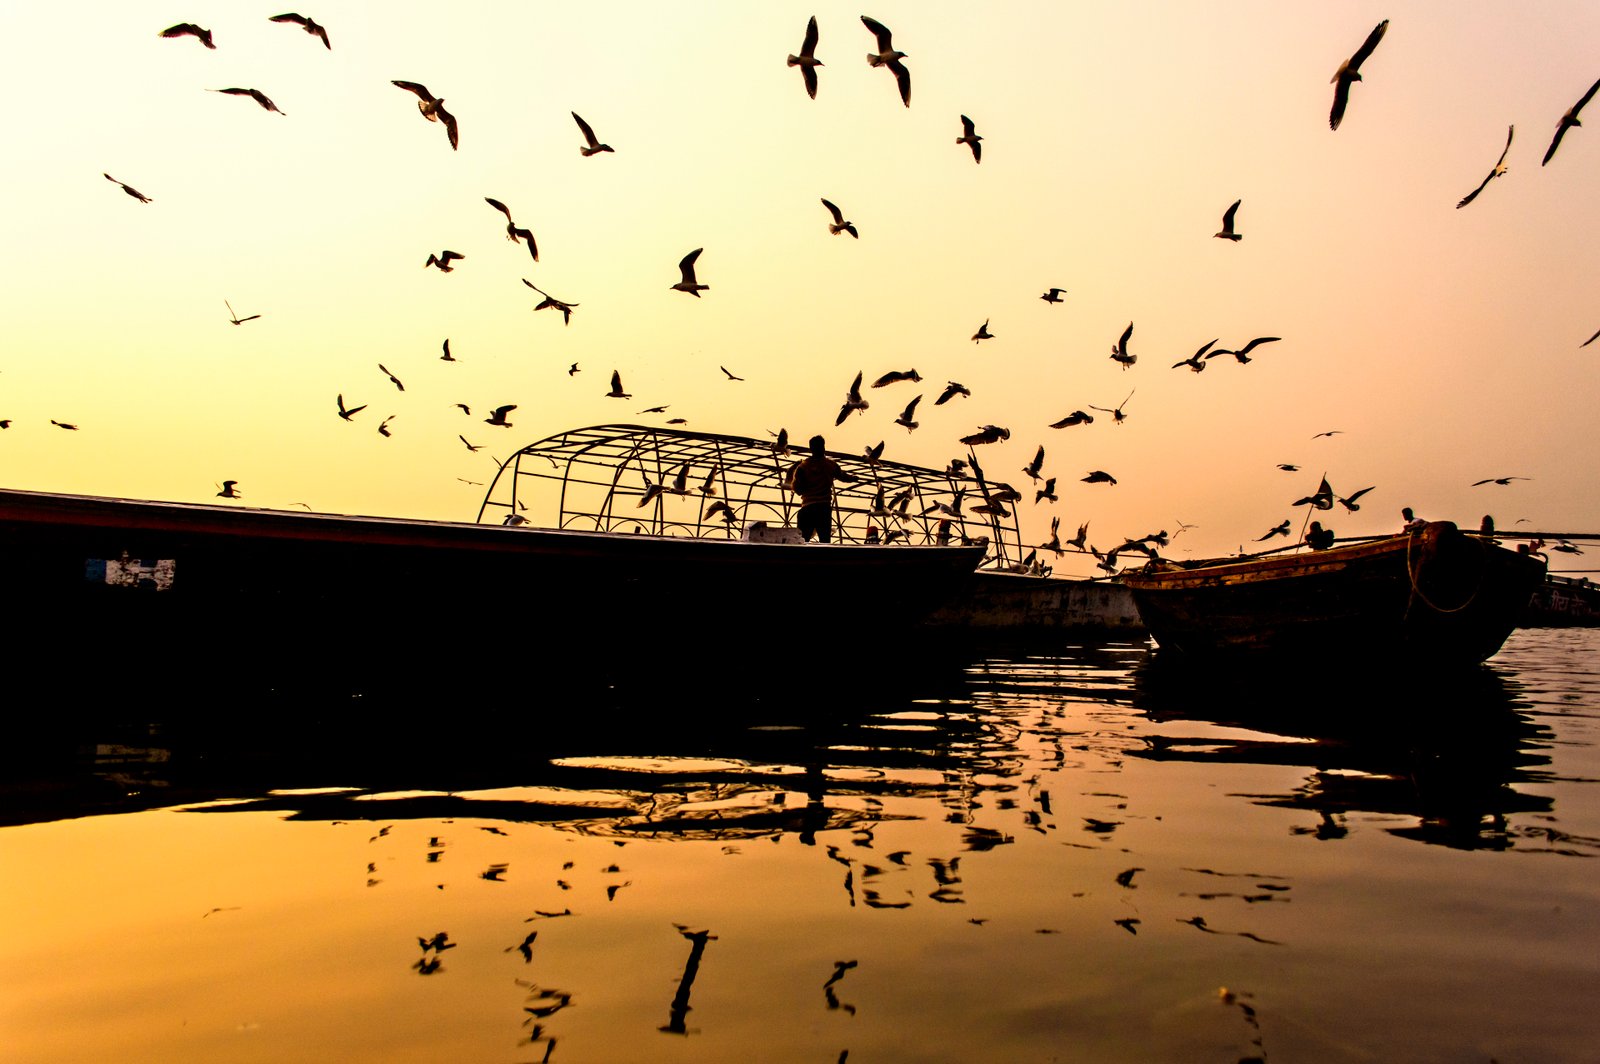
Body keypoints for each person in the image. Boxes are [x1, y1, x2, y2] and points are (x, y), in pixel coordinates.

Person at [784, 435, 858, 543]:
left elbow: (797, 489)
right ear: (823, 447)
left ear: (811, 449)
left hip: (807, 508)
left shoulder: (803, 467)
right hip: (823, 509)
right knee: (825, 542)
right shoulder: (831, 465)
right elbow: (843, 477)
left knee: (803, 542)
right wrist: (854, 478)